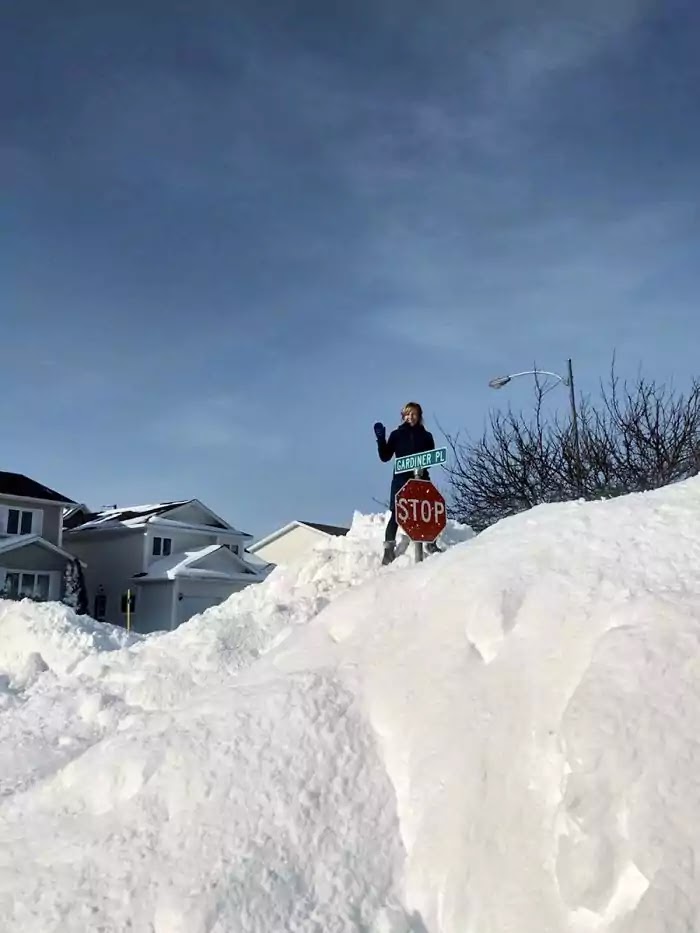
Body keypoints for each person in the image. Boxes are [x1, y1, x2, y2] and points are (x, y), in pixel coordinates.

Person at [374, 401, 441, 564]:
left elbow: (430, 459)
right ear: (403, 416)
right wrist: (381, 440)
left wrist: (419, 467)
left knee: (429, 511)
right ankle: (389, 550)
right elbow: (385, 457)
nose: (410, 417)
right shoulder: (397, 435)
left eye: (414, 414)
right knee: (397, 513)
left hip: (421, 479)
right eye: (407, 414)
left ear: (419, 416)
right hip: (401, 480)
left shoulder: (427, 436)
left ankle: (431, 544)